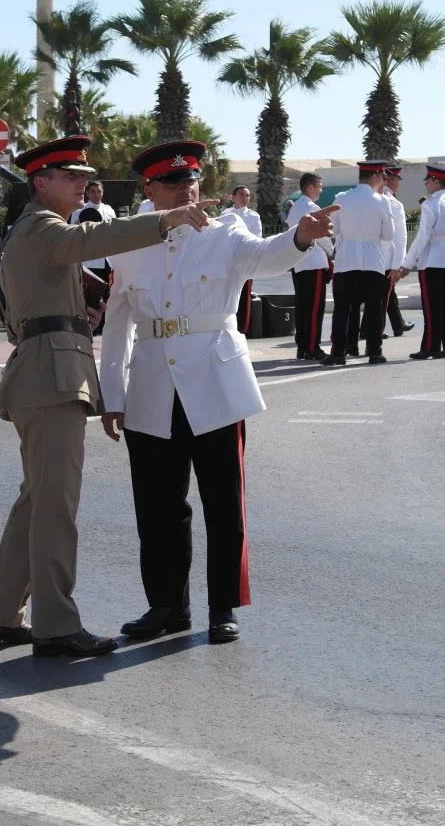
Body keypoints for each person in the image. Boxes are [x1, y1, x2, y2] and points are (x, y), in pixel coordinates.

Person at [0, 136, 215, 658]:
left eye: (83, 175)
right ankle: (56, 625)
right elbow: (90, 239)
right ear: (40, 183)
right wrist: (167, 220)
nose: (82, 182)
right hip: (50, 374)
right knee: (55, 508)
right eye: (69, 175)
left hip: (46, 369)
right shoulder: (41, 225)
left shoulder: (37, 229)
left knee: (36, 503)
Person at [98, 141, 337, 644]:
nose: (187, 189)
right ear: (150, 190)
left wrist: (299, 237)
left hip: (214, 383)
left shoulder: (227, 231)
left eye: (192, 181)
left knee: (223, 503)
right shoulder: (129, 241)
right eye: (173, 183)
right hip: (151, 388)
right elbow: (117, 324)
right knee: (158, 506)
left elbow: (265, 256)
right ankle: (166, 606)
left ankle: (222, 606)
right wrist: (112, 394)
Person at [322, 160, 394, 367]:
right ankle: (375, 352)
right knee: (374, 308)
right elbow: (388, 235)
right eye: (381, 176)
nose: (382, 180)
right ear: (374, 177)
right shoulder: (382, 201)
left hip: (346, 260)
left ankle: (338, 353)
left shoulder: (342, 198)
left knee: (342, 309)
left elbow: (334, 229)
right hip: (373, 261)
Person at [391, 162, 445, 359]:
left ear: (436, 181)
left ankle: (431, 347)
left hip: (432, 262)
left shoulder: (431, 204)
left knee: (432, 307)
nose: (426, 185)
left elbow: (422, 237)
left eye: (428, 181)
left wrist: (406, 264)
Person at [356, 165, 414, 344]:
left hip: (368, 257)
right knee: (379, 298)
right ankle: (372, 335)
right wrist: (399, 263)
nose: (394, 183)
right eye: (391, 179)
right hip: (384, 259)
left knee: (376, 297)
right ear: (386, 180)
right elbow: (398, 236)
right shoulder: (390, 202)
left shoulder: (361, 198)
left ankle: (385, 327)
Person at [286, 174, 332, 360]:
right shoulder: (313, 208)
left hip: (298, 262)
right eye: (319, 186)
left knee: (303, 306)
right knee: (314, 308)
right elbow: (323, 235)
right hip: (314, 261)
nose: (321, 190)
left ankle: (303, 346)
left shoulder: (295, 208)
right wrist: (331, 251)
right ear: (310, 188)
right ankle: (313, 347)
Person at [226, 186, 262, 334]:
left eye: (247, 195)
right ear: (233, 197)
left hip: (245, 263)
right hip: (228, 263)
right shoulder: (225, 214)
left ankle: (242, 331)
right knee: (227, 298)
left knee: (244, 299)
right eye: (241, 194)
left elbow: (257, 239)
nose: (245, 198)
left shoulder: (253, 216)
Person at [70, 180, 116, 281]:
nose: (96, 194)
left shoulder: (109, 210)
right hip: (88, 259)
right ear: (87, 193)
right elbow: (72, 233)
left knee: (107, 291)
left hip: (107, 257)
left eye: (99, 191)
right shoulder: (78, 210)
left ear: (103, 192)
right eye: (93, 191)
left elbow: (114, 231)